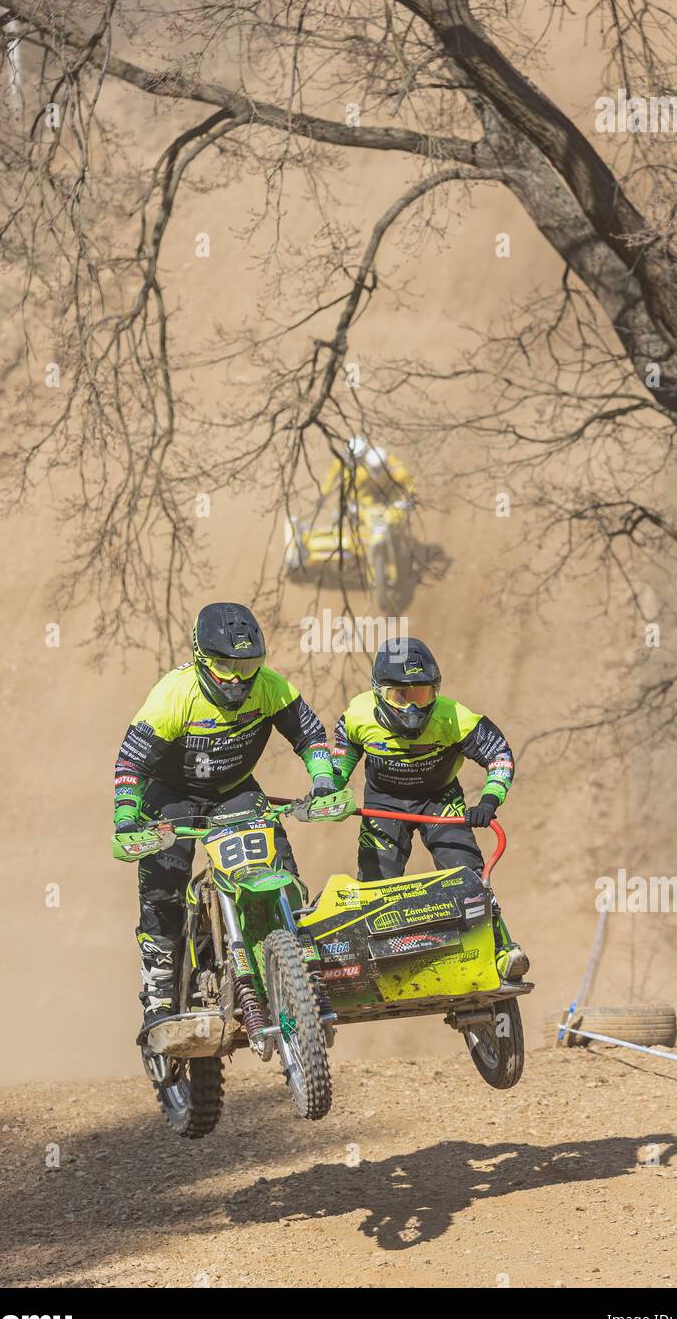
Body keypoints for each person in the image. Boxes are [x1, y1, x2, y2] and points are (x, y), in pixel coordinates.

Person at [113, 602, 336, 1029]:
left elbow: (310, 734)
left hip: (234, 791)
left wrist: (323, 780)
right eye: (224, 665)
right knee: (164, 886)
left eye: (247, 664)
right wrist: (127, 818)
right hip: (171, 795)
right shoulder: (173, 696)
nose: (237, 678)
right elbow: (131, 763)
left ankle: (300, 963)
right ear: (200, 658)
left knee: (281, 868)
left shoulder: (271, 687)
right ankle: (160, 989)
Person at [330, 637, 529, 980]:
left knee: (467, 873)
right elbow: (342, 756)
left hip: (439, 800)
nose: (411, 708)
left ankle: (501, 950)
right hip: (384, 802)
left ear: (436, 691)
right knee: (377, 881)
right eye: (399, 696)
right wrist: (329, 788)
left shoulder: (456, 717)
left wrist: (488, 800)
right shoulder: (357, 715)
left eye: (421, 695)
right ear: (378, 692)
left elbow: (499, 756)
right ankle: (364, 960)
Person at [320, 435, 414, 524]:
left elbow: (407, 481)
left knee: (395, 517)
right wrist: (324, 494)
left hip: (389, 495)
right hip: (366, 498)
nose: (351, 459)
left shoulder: (386, 465)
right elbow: (333, 479)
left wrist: (409, 497)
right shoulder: (352, 469)